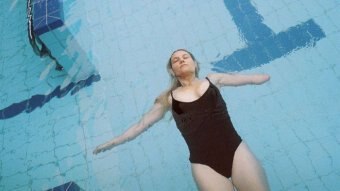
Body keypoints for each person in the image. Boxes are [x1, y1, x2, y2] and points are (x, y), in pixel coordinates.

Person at [93, 49, 270, 191]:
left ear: (195, 63)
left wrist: (263, 77)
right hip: (204, 164)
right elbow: (142, 124)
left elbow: (249, 79)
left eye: (185, 57)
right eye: (176, 60)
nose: (181, 60)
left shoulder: (213, 80)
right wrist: (113, 142)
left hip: (235, 150)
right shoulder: (168, 98)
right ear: (171, 70)